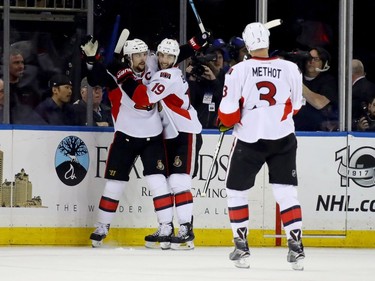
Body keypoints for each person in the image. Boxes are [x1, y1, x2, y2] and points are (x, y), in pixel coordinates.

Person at [218, 22, 305, 270]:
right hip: (283, 138)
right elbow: (296, 105)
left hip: (249, 140)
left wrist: (229, 120)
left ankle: (241, 247)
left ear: (246, 45)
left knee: (236, 191)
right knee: (286, 193)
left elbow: (227, 114)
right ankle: (296, 247)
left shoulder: (238, 71)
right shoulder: (290, 68)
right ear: (268, 41)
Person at [81, 37, 173, 249]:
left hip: (153, 137)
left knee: (157, 182)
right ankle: (102, 226)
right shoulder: (117, 76)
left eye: (144, 54)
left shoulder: (154, 66)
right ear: (128, 57)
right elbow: (95, 78)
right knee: (114, 184)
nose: (142, 59)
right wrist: (91, 60)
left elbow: (173, 58)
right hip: (125, 137)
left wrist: (196, 44)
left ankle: (166, 226)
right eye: (137, 55)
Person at [128, 38, 203, 250]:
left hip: (185, 131)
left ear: (175, 60)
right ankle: (166, 229)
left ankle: (186, 230)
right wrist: (195, 44)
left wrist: (126, 80)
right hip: (167, 132)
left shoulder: (171, 76)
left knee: (179, 182)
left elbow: (146, 98)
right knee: (164, 182)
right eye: (161, 55)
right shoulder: (156, 63)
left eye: (170, 56)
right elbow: (148, 60)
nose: (164, 59)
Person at [293, 46, 338, 131]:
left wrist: (297, 82)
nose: (311, 61)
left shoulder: (328, 81)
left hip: (317, 131)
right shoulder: (298, 76)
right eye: (309, 58)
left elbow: (319, 103)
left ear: (324, 63)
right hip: (294, 129)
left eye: (316, 59)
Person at [188, 46, 226, 129]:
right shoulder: (199, 77)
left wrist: (213, 80)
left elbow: (222, 99)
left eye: (220, 57)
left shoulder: (227, 78)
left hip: (219, 129)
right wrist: (191, 81)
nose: (217, 61)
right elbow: (191, 102)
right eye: (213, 57)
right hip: (198, 128)